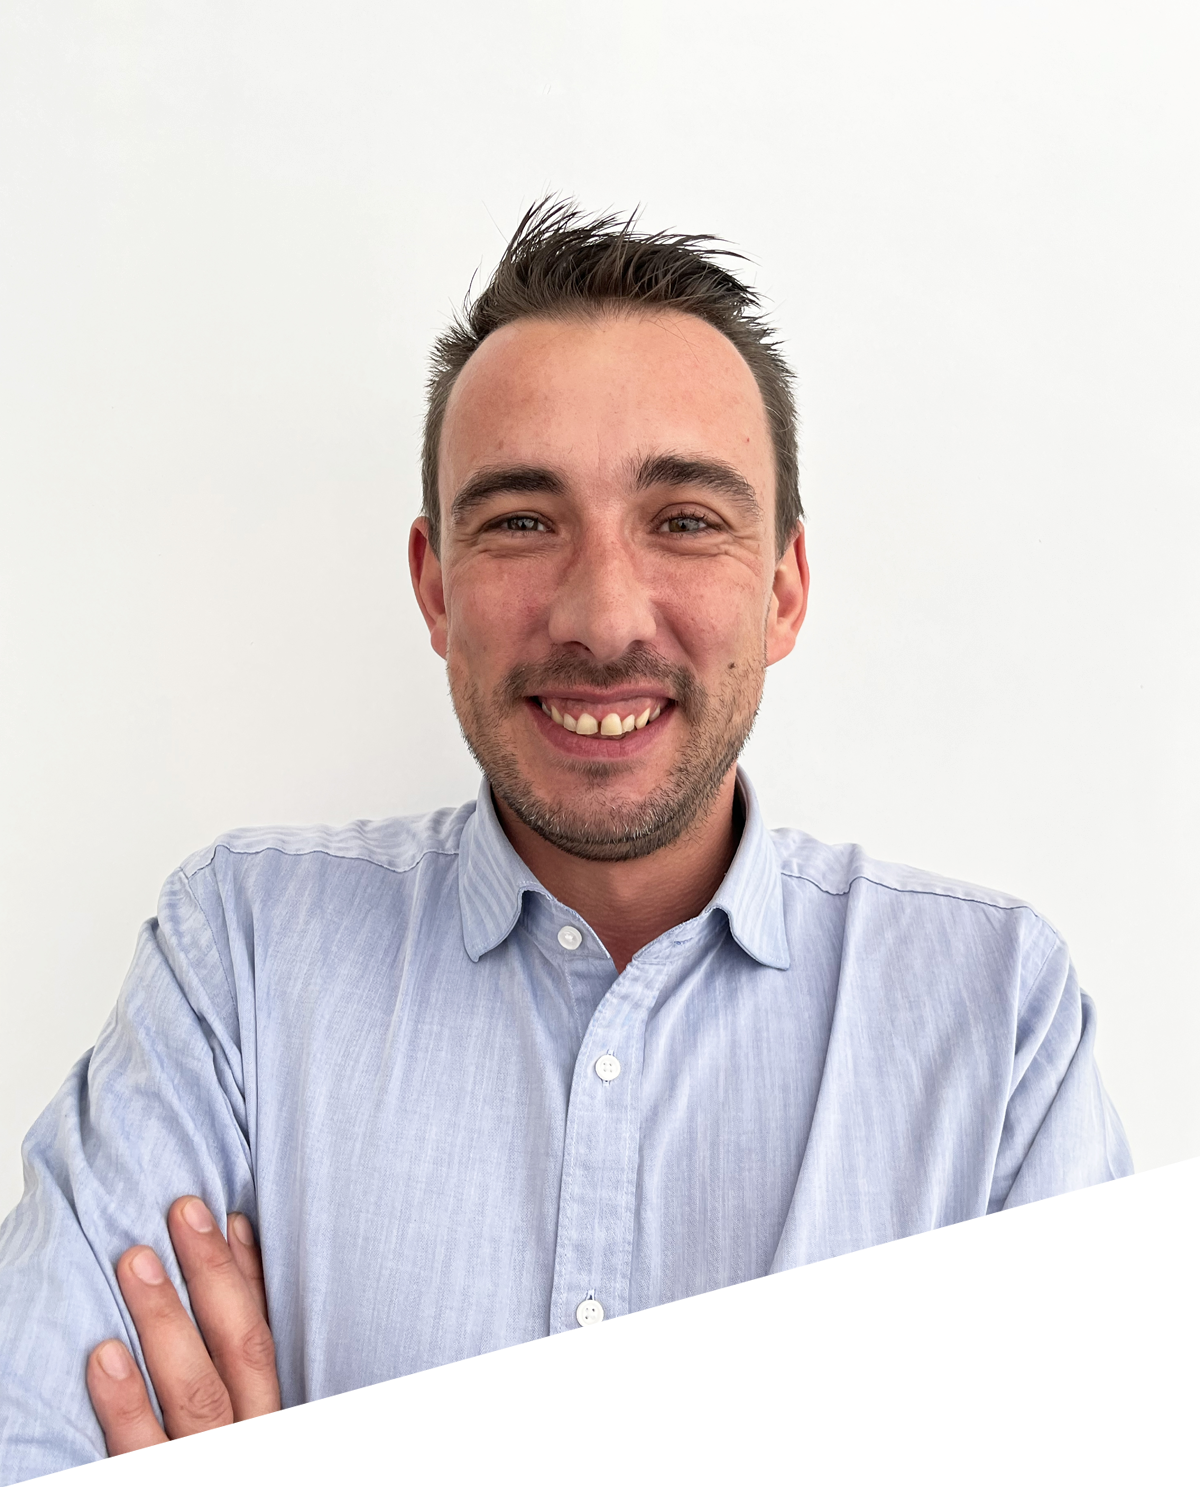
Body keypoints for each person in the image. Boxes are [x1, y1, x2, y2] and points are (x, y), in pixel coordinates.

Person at [0, 200, 1132, 1479]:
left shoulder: (997, 1016)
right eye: (523, 521)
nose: (603, 615)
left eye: (684, 519)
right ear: (435, 585)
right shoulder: (242, 960)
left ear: (784, 588)